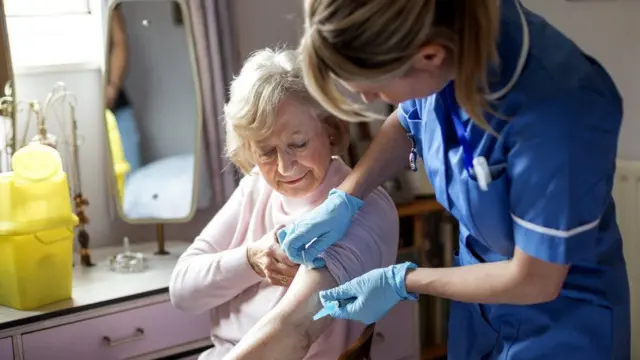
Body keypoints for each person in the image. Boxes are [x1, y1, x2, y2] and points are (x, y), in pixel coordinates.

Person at [277, 0, 631, 359]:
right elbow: (406, 120)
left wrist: (401, 282)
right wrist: (344, 199)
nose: (368, 99)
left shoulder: (560, 112)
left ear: (429, 56)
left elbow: (535, 279)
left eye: (376, 90)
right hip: (478, 305)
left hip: (560, 320)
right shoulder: (442, 36)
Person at [168, 48, 400, 360]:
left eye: (298, 144)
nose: (285, 167)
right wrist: (250, 260)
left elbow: (293, 333)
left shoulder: (364, 209)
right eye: (266, 151)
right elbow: (183, 291)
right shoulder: (255, 187)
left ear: (330, 131)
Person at [107, 4, 141, 173]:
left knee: (129, 175)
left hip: (115, 106)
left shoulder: (109, 8)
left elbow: (120, 42)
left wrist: (112, 87)